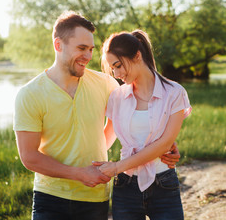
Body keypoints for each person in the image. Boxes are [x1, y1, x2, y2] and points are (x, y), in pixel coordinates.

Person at [13, 11, 180, 220]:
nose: (88, 55)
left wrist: (164, 144)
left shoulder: (106, 84)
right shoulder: (29, 94)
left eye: (91, 49)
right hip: (50, 197)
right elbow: (29, 157)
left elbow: (131, 119)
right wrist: (80, 174)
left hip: (94, 198)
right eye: (81, 48)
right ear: (58, 45)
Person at [97, 29, 192, 220]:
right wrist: (81, 163)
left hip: (164, 184)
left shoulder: (174, 93)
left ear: (137, 55)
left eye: (118, 65)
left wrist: (117, 167)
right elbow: (106, 137)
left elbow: (165, 144)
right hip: (125, 186)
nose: (116, 74)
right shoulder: (117, 97)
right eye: (112, 69)